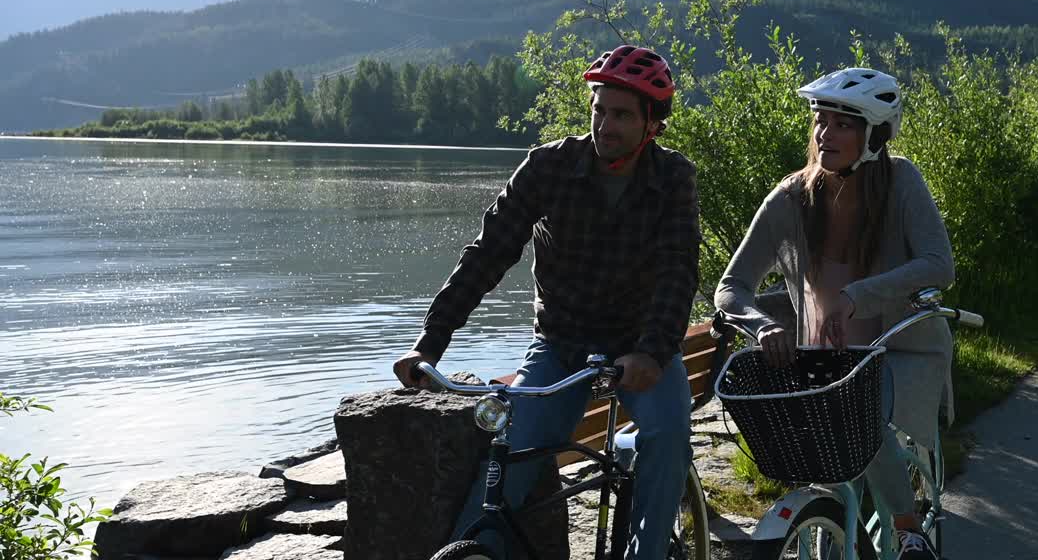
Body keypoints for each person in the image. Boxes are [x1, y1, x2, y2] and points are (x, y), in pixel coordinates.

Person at [393, 45, 701, 560]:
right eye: (599, 109)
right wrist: (430, 344)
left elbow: (677, 271)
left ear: (652, 123)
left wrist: (651, 353)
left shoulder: (673, 179)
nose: (606, 124)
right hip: (560, 345)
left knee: (668, 437)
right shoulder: (548, 166)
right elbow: (487, 256)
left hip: (641, 347)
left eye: (622, 114)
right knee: (505, 472)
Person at [714, 67, 955, 560]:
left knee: (862, 420)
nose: (825, 134)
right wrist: (762, 325)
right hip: (824, 358)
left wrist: (855, 296)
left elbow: (938, 264)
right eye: (820, 121)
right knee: (831, 432)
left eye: (843, 124)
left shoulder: (902, 181)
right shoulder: (792, 196)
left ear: (876, 135)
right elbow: (731, 286)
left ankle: (910, 531)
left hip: (899, 352)